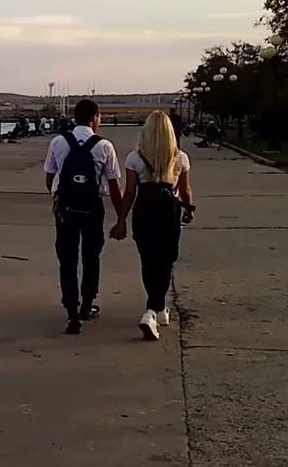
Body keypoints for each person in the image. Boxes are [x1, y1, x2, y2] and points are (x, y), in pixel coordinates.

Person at [43, 99, 123, 335]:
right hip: (92, 208)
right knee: (91, 256)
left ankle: (71, 313)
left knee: (67, 258)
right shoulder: (104, 146)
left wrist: (59, 196)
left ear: (74, 117)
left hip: (66, 208)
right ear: (95, 117)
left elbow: (50, 178)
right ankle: (87, 305)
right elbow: (114, 187)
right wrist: (121, 218)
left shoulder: (58, 142)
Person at [113, 111, 194, 341]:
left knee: (148, 261)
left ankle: (157, 309)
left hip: (144, 213)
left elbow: (130, 192)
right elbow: (185, 190)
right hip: (169, 214)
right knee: (166, 260)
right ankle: (153, 310)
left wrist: (121, 219)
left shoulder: (134, 158)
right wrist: (189, 209)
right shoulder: (180, 158)